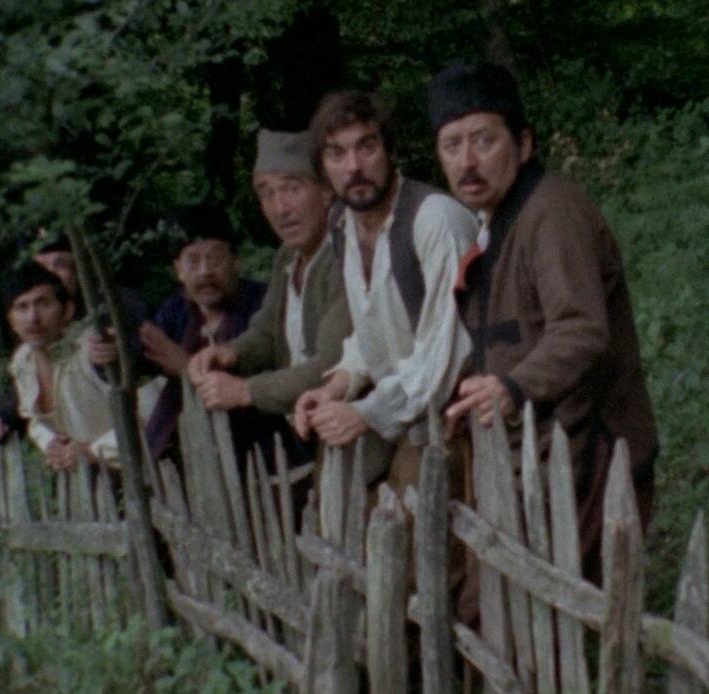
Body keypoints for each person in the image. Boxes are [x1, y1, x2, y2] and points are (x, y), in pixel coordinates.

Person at [428, 60, 659, 581]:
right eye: (451, 145)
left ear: (524, 143)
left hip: (588, 459)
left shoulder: (553, 213)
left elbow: (581, 329)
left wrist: (513, 387)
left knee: (516, 611)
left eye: (484, 141)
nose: (467, 161)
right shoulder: (498, 222)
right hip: (532, 461)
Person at [293, 90, 477, 499]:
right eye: (337, 154)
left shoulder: (434, 220)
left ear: (391, 151)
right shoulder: (343, 224)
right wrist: (338, 385)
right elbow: (373, 328)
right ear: (323, 170)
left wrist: (365, 413)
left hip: (449, 413)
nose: (354, 167)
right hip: (395, 404)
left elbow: (447, 352)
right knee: (334, 492)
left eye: (367, 147)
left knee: (411, 515)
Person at [188, 129, 351, 465]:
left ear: (325, 191)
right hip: (305, 432)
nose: (280, 208)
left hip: (350, 434)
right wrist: (231, 353)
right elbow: (265, 332)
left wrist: (245, 391)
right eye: (267, 193)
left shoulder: (345, 254)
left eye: (292, 188)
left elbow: (331, 365)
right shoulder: (287, 257)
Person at [94, 204, 277, 466]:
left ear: (236, 262)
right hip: (183, 455)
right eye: (192, 261)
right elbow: (135, 358)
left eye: (215, 258)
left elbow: (270, 384)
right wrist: (109, 353)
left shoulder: (264, 303)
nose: (205, 271)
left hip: (256, 454)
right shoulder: (177, 310)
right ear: (178, 270)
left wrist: (187, 367)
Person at [2, 262, 134, 470]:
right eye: (22, 307)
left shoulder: (95, 347)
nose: (33, 317)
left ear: (67, 310)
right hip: (86, 482)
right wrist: (51, 444)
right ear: (10, 320)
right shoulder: (22, 361)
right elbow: (33, 419)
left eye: (43, 303)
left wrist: (94, 451)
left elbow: (148, 412)